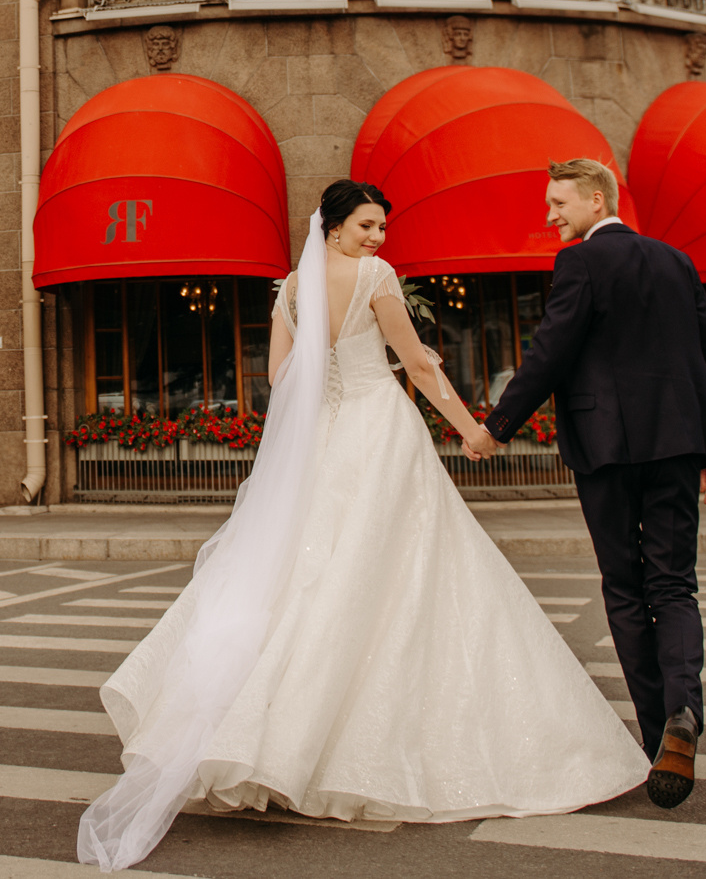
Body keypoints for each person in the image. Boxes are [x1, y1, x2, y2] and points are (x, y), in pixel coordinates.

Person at [76, 180, 644, 871]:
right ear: (336, 226)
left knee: (312, 578)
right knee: (399, 575)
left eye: (383, 229)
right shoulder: (376, 278)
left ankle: (271, 741)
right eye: (368, 225)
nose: (378, 239)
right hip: (379, 434)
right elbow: (417, 363)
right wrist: (476, 430)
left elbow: (282, 377)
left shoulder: (288, 289)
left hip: (322, 440)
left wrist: (320, 410)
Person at [472, 158, 706, 812]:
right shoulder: (676, 261)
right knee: (674, 583)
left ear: (596, 199)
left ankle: (657, 739)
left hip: (608, 449)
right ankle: (684, 715)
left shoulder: (580, 265)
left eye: (558, 202)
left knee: (624, 586)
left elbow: (551, 353)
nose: (549, 215)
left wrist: (496, 427)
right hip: (678, 443)